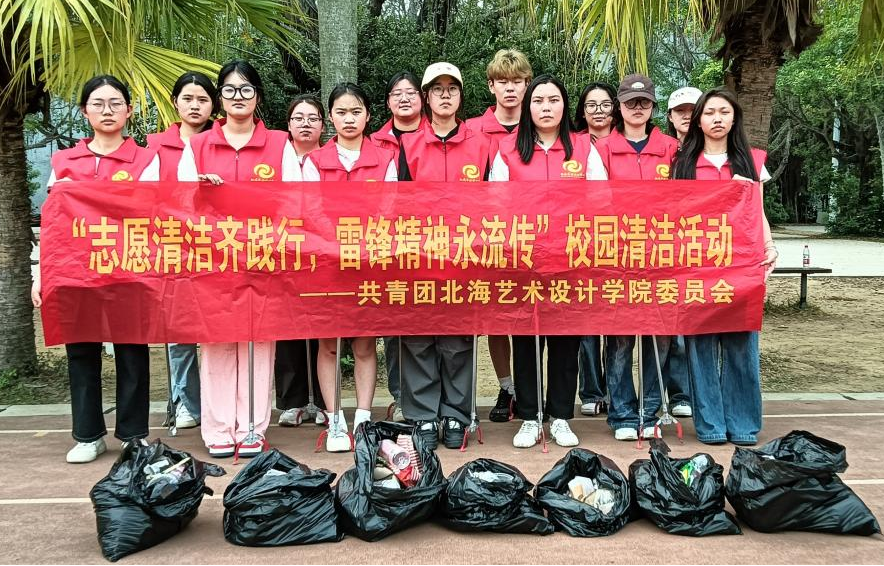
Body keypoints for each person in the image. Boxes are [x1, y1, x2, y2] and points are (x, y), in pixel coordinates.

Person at [31, 75, 159, 463]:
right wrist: (41, 274)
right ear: (85, 111)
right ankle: (88, 434)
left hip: (129, 268)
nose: (107, 111)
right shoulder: (64, 162)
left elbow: (154, 214)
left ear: (129, 111)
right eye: (98, 104)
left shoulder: (146, 160)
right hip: (76, 271)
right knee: (81, 349)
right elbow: (53, 223)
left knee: (132, 349)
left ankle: (134, 434)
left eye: (115, 103)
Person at [178, 59, 301, 458]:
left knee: (258, 344)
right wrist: (200, 192)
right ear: (220, 97)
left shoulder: (279, 144)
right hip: (212, 262)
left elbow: (294, 202)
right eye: (229, 90)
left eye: (246, 89)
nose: (238, 97)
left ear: (258, 97)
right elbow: (178, 205)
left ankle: (252, 426)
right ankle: (217, 427)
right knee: (216, 344)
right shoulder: (198, 147)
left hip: (262, 261)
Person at [489, 74, 607, 448]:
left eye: (553, 100)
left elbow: (601, 201)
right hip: (524, 260)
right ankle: (529, 416)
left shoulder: (584, 148)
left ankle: (559, 416)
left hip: (570, 260)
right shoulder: (508, 150)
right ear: (528, 107)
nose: (545, 107)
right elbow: (496, 203)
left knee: (565, 342)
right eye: (538, 101)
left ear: (564, 106)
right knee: (525, 341)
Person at [672, 86, 777, 446]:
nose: (717, 119)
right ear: (698, 121)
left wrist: (769, 246)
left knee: (741, 346)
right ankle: (711, 425)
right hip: (698, 267)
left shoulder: (752, 161)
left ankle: (744, 424)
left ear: (735, 118)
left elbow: (759, 212)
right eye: (709, 113)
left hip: (741, 267)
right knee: (700, 348)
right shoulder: (683, 164)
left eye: (724, 112)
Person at [397, 62, 490, 450]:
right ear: (426, 97)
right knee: (418, 339)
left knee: (457, 341)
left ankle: (455, 414)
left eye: (452, 88)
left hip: (465, 259)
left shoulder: (481, 145)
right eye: (437, 89)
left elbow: (495, 201)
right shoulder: (408, 145)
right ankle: (422, 416)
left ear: (461, 96)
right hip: (420, 257)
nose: (445, 95)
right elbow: (397, 202)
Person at [301, 82, 397, 451]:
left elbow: (389, 209)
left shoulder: (384, 160)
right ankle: (335, 420)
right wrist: (337, 245)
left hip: (370, 261)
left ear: (368, 115)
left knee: (364, 344)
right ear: (331, 117)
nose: (349, 119)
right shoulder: (315, 162)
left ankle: (363, 418)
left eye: (356, 111)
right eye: (341, 112)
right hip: (327, 263)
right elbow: (310, 210)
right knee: (328, 344)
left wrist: (363, 246)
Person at [594, 73, 680, 441]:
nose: (637, 108)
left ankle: (650, 410)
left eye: (644, 102)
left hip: (661, 256)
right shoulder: (601, 149)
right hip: (618, 257)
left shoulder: (672, 148)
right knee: (620, 339)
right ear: (620, 106)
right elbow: (594, 202)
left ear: (653, 107)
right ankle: (623, 414)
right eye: (631, 102)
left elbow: (684, 200)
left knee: (659, 337)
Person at [465, 48, 533, 423]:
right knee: (494, 317)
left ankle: (532, 389)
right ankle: (507, 387)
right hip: (485, 240)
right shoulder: (473, 129)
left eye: (517, 81)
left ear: (527, 85)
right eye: (502, 81)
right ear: (491, 86)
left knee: (530, 314)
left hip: (532, 239)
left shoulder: (540, 124)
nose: (510, 88)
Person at [147, 71, 218, 430]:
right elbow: (144, 199)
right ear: (175, 102)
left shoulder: (221, 141)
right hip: (173, 247)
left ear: (213, 104)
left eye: (202, 99)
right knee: (179, 331)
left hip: (219, 250)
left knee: (219, 330)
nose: (195, 106)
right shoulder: (156, 147)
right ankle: (185, 402)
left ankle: (219, 406)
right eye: (188, 99)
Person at [369, 71, 427, 422]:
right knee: (394, 329)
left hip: (433, 245)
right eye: (396, 93)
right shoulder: (374, 142)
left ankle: (433, 399)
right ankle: (401, 398)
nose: (404, 98)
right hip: (388, 247)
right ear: (388, 102)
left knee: (430, 325)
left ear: (422, 98)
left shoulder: (437, 135)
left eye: (410, 92)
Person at [276, 94, 327, 428]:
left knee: (323, 325)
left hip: (322, 249)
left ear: (323, 125)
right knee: (288, 325)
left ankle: (323, 401)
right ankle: (292, 401)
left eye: (312, 118)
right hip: (284, 248)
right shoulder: (276, 156)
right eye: (298, 118)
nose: (305, 124)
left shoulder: (329, 158)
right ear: (289, 123)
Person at [573, 81, 618, 417]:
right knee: (586, 320)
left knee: (616, 321)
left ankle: (617, 390)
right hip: (580, 242)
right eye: (591, 105)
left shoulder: (625, 142)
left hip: (620, 242)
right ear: (582, 110)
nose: (598, 111)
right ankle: (591, 391)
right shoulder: (572, 145)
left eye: (604, 104)